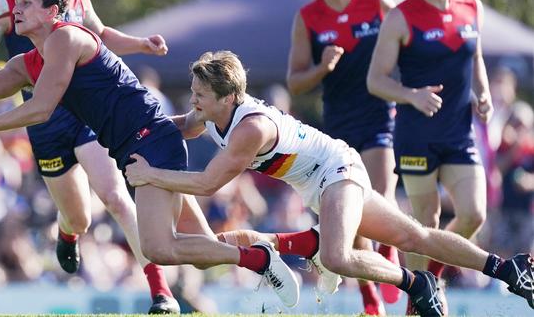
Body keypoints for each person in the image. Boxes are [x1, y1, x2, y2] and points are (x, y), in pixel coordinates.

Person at [0, 0, 301, 309]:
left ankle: (260, 262)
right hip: (142, 145)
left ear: (53, 12)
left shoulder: (67, 38)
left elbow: (41, 108)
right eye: (16, 3)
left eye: (27, 2)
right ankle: (286, 247)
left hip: (152, 142)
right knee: (201, 251)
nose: (15, 9)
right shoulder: (29, 62)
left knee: (158, 248)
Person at [124, 50, 534, 317]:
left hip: (337, 171)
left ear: (227, 97)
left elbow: (207, 183)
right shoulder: (211, 111)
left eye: (199, 95)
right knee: (413, 236)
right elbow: (181, 126)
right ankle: (507, 269)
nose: (192, 101)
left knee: (338, 257)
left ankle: (415, 282)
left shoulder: (249, 129)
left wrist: (148, 175)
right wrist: (132, 130)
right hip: (323, 180)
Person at [0, 0, 178, 313]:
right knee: (78, 216)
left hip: (83, 113)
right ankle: (68, 233)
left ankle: (161, 293)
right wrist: (4, 82)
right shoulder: (4, 6)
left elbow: (101, 34)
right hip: (41, 120)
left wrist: (141, 44)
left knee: (114, 196)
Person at [366, 0, 492, 312]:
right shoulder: (401, 17)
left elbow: (476, 57)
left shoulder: (472, 7)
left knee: (473, 214)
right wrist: (411, 95)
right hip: (416, 135)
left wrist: (483, 95)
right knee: (426, 223)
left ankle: (429, 281)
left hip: (459, 135)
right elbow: (375, 80)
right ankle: (416, 303)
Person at [286, 0, 400, 312]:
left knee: (382, 191)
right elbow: (295, 82)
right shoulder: (309, 18)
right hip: (339, 125)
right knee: (358, 214)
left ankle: (390, 250)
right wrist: (322, 67)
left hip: (380, 114)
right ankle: (369, 296)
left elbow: (407, 42)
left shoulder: (376, 3)